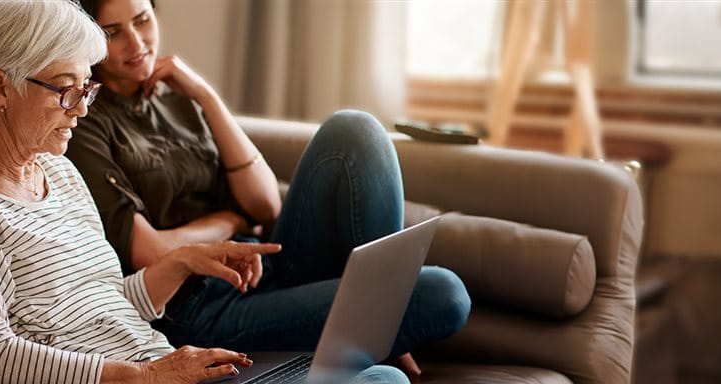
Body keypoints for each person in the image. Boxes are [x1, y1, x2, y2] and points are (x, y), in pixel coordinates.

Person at [0, 1, 410, 382]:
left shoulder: (61, 174)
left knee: (380, 376)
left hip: (166, 365)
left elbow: (108, 301)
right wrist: (145, 376)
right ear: (1, 87)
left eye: (86, 90)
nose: (81, 109)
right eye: (66, 90)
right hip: (142, 376)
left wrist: (181, 261)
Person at [62, 0, 473, 377]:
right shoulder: (87, 124)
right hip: (202, 305)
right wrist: (229, 220)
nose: (136, 42)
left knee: (354, 130)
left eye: (143, 20)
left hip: (264, 268)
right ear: (90, 39)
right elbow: (148, 251)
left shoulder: (179, 102)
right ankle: (384, 333)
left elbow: (264, 204)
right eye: (113, 32)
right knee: (444, 293)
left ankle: (380, 329)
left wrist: (207, 97)